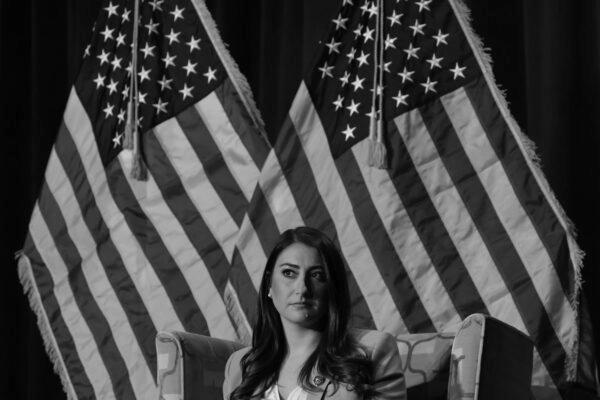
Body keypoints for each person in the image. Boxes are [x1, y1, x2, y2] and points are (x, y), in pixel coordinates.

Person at [222, 226, 406, 400]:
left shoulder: (373, 350)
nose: (302, 288)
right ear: (269, 283)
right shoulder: (239, 366)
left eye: (317, 275)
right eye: (289, 273)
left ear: (333, 287)